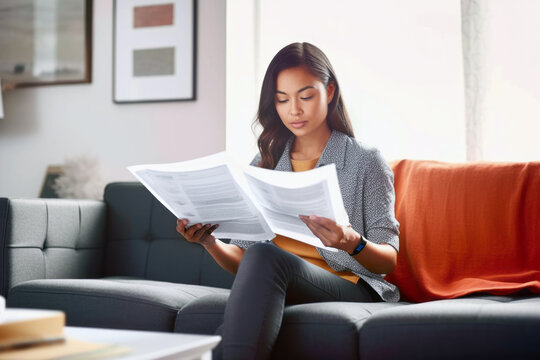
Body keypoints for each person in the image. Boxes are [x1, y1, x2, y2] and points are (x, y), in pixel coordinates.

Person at [176, 42, 400, 360]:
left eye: (305, 96)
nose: (294, 110)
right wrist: (209, 242)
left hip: (347, 283)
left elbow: (388, 260)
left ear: (330, 91)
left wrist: (351, 242)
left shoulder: (366, 160)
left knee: (266, 256)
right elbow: (244, 259)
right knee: (262, 257)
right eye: (282, 100)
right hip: (280, 278)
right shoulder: (266, 160)